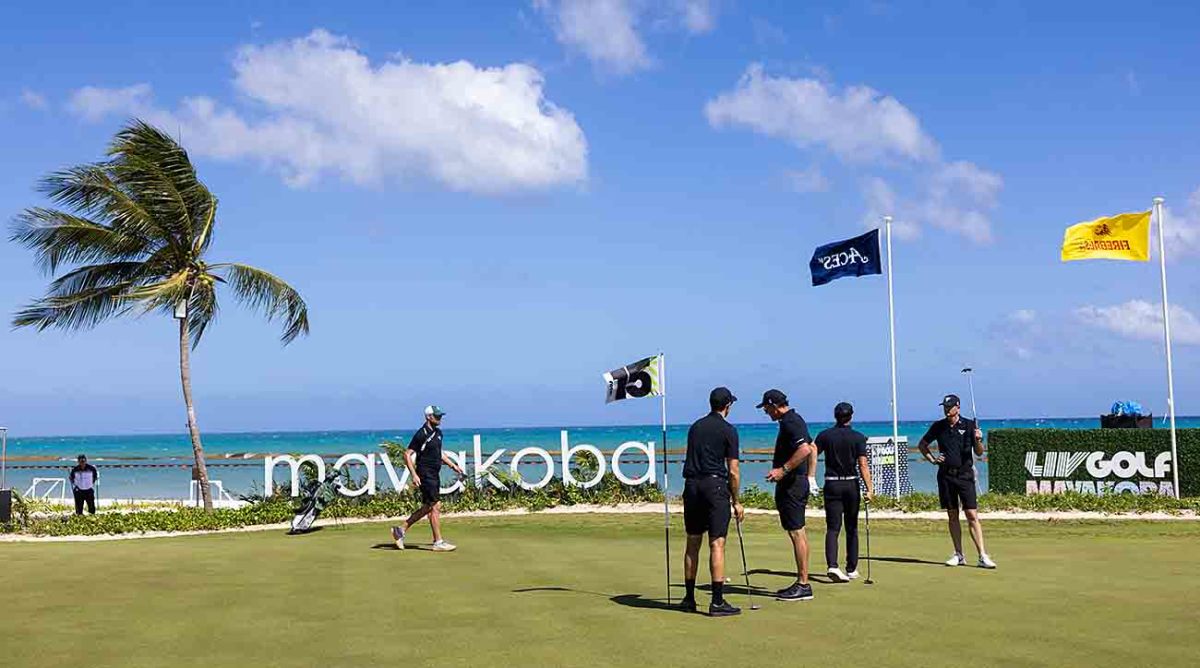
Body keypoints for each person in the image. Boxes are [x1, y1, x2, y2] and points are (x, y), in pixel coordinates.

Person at [679, 387, 743, 617]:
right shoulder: (728, 430)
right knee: (717, 543)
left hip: (692, 486)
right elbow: (733, 470)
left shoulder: (695, 427)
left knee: (693, 542)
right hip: (714, 486)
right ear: (727, 405)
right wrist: (736, 501)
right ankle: (717, 601)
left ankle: (689, 598)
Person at [918, 394, 997, 569]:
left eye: (950, 406)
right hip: (946, 476)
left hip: (965, 475)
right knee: (952, 515)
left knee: (972, 515)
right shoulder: (939, 426)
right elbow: (922, 445)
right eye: (945, 407)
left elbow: (979, 452)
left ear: (958, 407)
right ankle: (959, 554)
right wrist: (932, 459)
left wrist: (978, 439)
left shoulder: (969, 425)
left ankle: (982, 556)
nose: (947, 409)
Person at [759, 389, 818, 601]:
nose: (766, 412)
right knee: (796, 531)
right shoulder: (791, 420)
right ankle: (802, 582)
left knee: (796, 532)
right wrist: (811, 477)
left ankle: (803, 584)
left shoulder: (790, 421)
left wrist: (783, 470)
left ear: (774, 405)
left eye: (766, 408)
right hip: (796, 482)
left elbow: (805, 450)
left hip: (793, 484)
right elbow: (813, 446)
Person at [814, 402, 875, 583]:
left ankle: (832, 566)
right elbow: (863, 464)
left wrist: (809, 476)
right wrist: (869, 488)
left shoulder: (824, 435)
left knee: (833, 528)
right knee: (851, 528)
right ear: (851, 416)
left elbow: (812, 454)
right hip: (851, 484)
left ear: (835, 416)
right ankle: (851, 568)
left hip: (832, 484)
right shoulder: (858, 437)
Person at [391, 406, 464, 552]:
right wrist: (414, 474)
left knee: (428, 507)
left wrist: (452, 465)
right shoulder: (421, 434)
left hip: (434, 473)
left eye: (440, 416)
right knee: (435, 506)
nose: (439, 418)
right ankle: (438, 542)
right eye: (437, 416)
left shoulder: (438, 433)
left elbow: (439, 452)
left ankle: (400, 530)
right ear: (428, 417)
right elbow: (407, 454)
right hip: (425, 473)